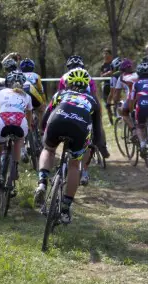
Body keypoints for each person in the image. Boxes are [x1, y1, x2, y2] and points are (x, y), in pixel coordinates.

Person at [34, 68, 101, 223]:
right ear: (88, 86)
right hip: (79, 128)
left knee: (49, 149)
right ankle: (65, 207)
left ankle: (42, 182)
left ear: (68, 83)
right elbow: (97, 128)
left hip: (57, 122)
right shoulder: (92, 100)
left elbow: (45, 119)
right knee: (74, 165)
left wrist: (43, 132)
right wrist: (95, 145)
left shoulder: (60, 94)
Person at [0, 71, 33, 199]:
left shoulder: (0, 92)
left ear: (6, 83)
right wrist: (30, 127)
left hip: (3, 122)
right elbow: (29, 115)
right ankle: (14, 172)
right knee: (18, 141)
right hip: (20, 123)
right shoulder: (27, 96)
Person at [58, 55, 109, 162]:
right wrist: (98, 108)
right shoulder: (88, 76)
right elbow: (94, 93)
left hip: (68, 104)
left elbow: (60, 94)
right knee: (98, 122)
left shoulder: (64, 77)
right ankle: (102, 145)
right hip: (87, 102)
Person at [127, 62, 148, 156]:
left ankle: (142, 144)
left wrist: (131, 111)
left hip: (142, 106)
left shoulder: (136, 83)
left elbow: (132, 100)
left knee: (139, 126)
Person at [113, 58, 139, 141]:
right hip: (143, 97)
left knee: (124, 113)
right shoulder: (138, 74)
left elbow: (116, 95)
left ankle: (134, 130)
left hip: (131, 98)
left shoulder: (121, 78)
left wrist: (116, 103)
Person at [20, 58, 47, 122]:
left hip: (21, 93)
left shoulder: (19, 75)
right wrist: (44, 101)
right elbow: (41, 90)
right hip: (31, 91)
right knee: (41, 109)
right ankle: (41, 129)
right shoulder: (36, 75)